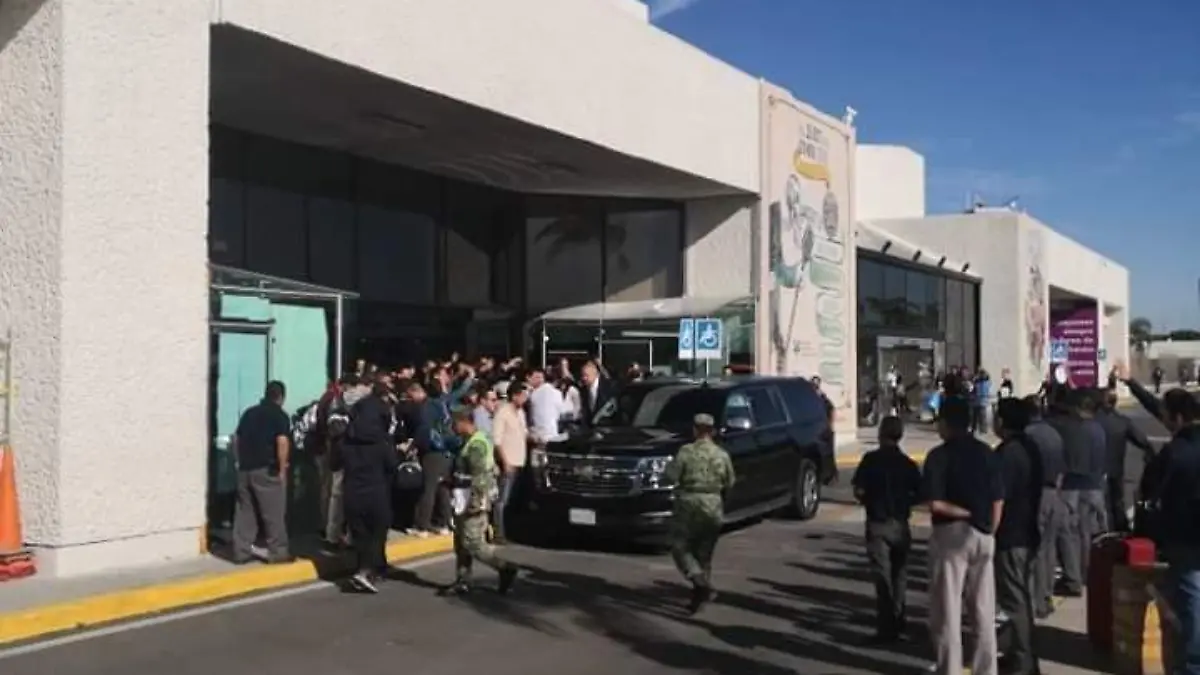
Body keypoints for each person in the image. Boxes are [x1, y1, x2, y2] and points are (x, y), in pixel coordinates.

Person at [1114, 364, 1200, 675]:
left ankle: (1190, 667)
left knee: (1189, 608)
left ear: (1176, 418)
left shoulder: (1175, 453)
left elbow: (1150, 493)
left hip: (1186, 540)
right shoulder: (1184, 440)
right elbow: (1158, 407)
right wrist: (1132, 383)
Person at [922, 396, 1005, 675]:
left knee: (948, 611)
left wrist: (964, 514)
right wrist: (990, 528)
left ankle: (951, 669)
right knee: (983, 611)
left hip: (951, 536)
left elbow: (935, 503)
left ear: (945, 423)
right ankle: (986, 668)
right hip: (984, 537)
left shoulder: (938, 457)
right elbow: (998, 499)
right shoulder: (987, 453)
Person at [851, 415, 922, 644]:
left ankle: (886, 626)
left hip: (878, 522)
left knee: (882, 577)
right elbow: (921, 492)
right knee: (899, 574)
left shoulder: (870, 460)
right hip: (900, 523)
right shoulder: (908, 464)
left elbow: (859, 490)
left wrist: (868, 500)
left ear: (881, 433)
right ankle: (899, 617)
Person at [662, 413, 736, 614]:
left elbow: (671, 475)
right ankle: (700, 593)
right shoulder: (722, 455)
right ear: (711, 431)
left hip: (689, 503)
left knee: (681, 547)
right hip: (712, 504)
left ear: (695, 429)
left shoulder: (686, 452)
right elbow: (730, 483)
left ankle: (700, 585)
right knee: (704, 553)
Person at [441, 409, 519, 596]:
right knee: (461, 543)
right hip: (463, 498)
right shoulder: (471, 441)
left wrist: (475, 503)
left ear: (463, 422)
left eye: (454, 424)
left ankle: (504, 568)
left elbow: (479, 477)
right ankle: (463, 580)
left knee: (473, 543)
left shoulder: (476, 445)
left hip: (473, 500)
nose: (453, 428)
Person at [992, 399, 1043, 675]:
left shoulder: (1008, 454)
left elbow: (998, 497)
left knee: (1015, 601)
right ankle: (1018, 653)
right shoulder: (1029, 447)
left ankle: (1023, 659)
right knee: (1020, 597)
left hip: (1012, 534)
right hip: (1027, 530)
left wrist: (990, 530)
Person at [334, 382, 400, 593]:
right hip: (376, 493)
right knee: (378, 532)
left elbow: (334, 464)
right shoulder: (382, 443)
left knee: (360, 534)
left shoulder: (345, 441)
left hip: (352, 492)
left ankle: (371, 569)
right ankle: (366, 571)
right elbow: (392, 466)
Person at [1049, 389, 1108, 596]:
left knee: (1070, 534)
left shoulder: (1071, 430)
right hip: (1095, 485)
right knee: (1089, 533)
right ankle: (1089, 573)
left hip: (1073, 485)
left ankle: (1075, 576)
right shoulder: (1099, 430)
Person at [231, 381, 294, 565]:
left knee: (245, 511)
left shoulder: (249, 413)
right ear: (281, 397)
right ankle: (278, 552)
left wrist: (238, 461)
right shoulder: (279, 415)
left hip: (245, 469)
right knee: (273, 512)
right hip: (266, 469)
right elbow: (282, 442)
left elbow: (237, 438)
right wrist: (282, 470)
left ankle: (241, 551)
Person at [1023, 395, 1066, 619]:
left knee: (1033, 552)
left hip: (1036, 494)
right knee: (1049, 550)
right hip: (1053, 494)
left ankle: (1035, 601)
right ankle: (1046, 595)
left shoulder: (1028, 437)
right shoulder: (1054, 434)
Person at [1096, 389, 1154, 532]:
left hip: (1097, 471)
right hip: (1116, 470)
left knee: (1102, 506)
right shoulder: (1122, 422)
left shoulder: (1093, 422)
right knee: (1117, 504)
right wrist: (1149, 455)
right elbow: (1143, 441)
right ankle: (1121, 532)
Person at [490, 383, 530, 545]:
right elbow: (497, 440)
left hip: (520, 461)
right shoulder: (503, 413)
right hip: (508, 462)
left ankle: (511, 531)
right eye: (523, 395)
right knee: (502, 499)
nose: (525, 399)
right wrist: (504, 461)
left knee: (513, 500)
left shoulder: (520, 413)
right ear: (514, 396)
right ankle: (498, 533)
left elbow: (525, 433)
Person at [578, 361, 614, 427]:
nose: (584, 378)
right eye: (582, 375)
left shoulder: (608, 387)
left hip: (607, 427)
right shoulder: (583, 390)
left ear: (595, 374)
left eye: (586, 375)